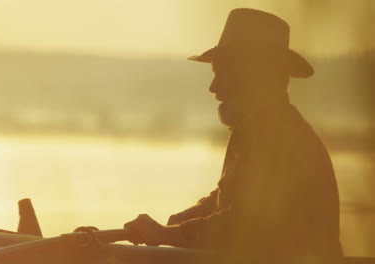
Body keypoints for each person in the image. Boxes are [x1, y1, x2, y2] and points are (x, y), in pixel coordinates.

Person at [124, 8, 342, 260]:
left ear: (255, 76)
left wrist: (165, 234)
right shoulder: (263, 128)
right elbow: (228, 199)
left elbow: (242, 226)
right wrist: (179, 221)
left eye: (221, 74)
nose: (213, 88)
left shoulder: (277, 138)